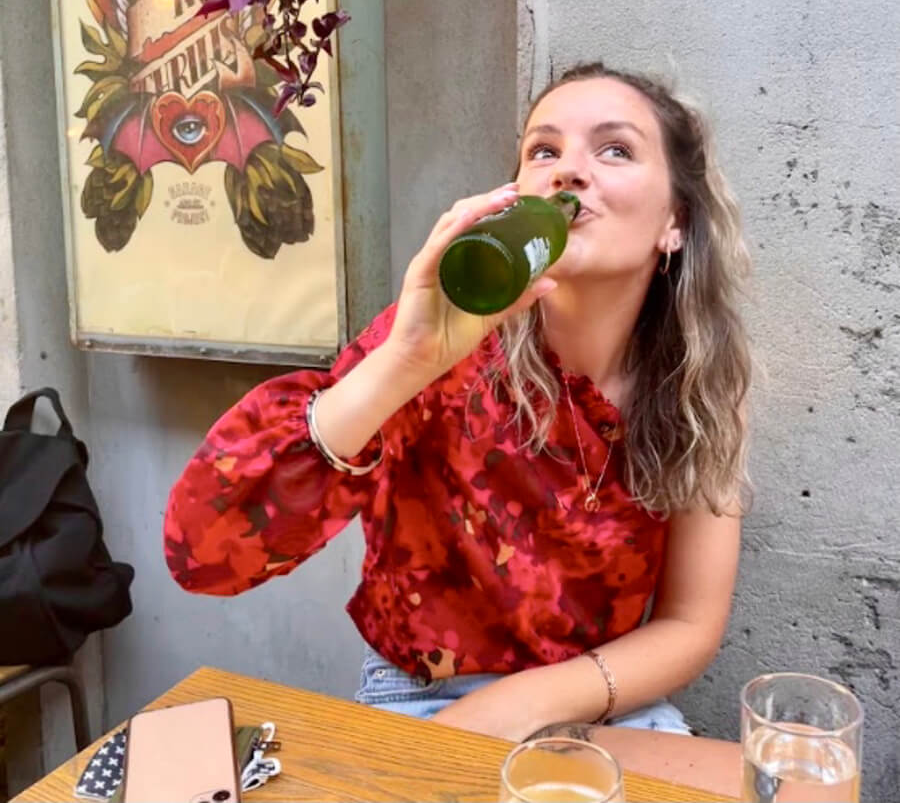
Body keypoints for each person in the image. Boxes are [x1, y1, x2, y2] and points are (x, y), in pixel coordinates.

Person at [164, 61, 751, 742]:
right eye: (544, 151)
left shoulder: (699, 389)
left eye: (615, 149)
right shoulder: (437, 344)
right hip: (422, 700)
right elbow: (202, 554)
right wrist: (403, 363)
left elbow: (689, 624)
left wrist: (528, 706)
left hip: (607, 700)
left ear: (674, 222)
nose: (569, 171)